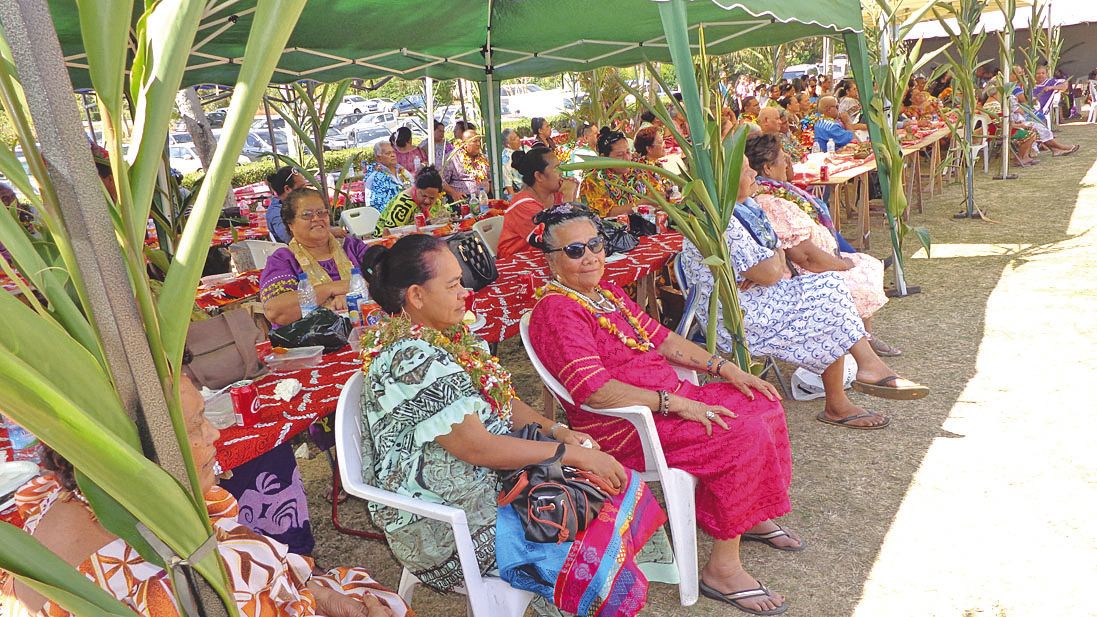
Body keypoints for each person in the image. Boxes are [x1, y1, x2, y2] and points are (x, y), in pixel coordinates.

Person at [357, 235, 668, 617]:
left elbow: (501, 399)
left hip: (495, 485)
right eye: (453, 285)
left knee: (615, 486)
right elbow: (478, 448)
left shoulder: (448, 337)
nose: (464, 294)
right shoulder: (411, 359)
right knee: (581, 531)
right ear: (417, 296)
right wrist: (570, 455)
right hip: (448, 523)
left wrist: (557, 432)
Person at [526, 203, 797, 615]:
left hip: (668, 403)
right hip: (627, 429)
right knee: (741, 432)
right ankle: (722, 570)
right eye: (575, 251)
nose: (591, 257)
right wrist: (675, 403)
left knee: (760, 400)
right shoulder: (558, 310)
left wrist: (725, 369)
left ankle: (748, 514)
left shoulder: (605, 293)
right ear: (551, 260)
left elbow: (664, 340)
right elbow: (595, 392)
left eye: (596, 244)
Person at [0, 376, 409, 617]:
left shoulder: (56, 499)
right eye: (195, 425)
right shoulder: (186, 570)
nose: (214, 435)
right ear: (136, 451)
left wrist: (319, 593)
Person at [681, 156, 930, 430]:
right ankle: (854, 382)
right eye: (744, 170)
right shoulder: (722, 221)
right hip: (736, 317)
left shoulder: (743, 210)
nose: (754, 173)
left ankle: (860, 375)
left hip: (754, 301)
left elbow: (771, 263)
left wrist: (769, 262)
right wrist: (771, 261)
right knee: (825, 295)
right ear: (723, 183)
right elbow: (771, 270)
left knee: (828, 287)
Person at [745, 133, 901, 356]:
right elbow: (805, 257)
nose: (788, 160)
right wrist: (842, 264)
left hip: (812, 265)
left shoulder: (776, 191)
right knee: (859, 270)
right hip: (804, 276)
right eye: (783, 159)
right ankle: (860, 344)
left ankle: (862, 337)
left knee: (865, 263)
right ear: (768, 169)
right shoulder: (770, 202)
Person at [260, 188, 370, 327]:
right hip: (313, 342)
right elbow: (275, 311)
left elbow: (388, 279)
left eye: (321, 212)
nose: (317, 219)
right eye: (307, 215)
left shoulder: (352, 247)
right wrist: (331, 288)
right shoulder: (284, 260)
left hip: (369, 331)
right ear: (291, 224)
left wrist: (351, 297)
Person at [497, 147, 579, 258]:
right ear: (539, 176)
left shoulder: (557, 195)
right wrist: (569, 197)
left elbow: (578, 229)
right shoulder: (523, 204)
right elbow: (558, 237)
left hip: (546, 258)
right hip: (517, 263)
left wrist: (571, 198)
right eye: (556, 169)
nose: (561, 173)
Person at [579, 127, 662, 218]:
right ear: (604, 158)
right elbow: (605, 213)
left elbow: (656, 192)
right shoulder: (594, 180)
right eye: (620, 155)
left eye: (628, 152)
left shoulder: (637, 171)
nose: (627, 158)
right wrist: (641, 203)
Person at [375, 166, 450, 235]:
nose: (427, 201)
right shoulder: (404, 203)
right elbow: (389, 232)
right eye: (424, 196)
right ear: (416, 189)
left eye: (432, 198)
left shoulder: (436, 202)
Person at [980, 88, 1039, 166]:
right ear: (995, 94)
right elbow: (1000, 124)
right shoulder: (993, 104)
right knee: (1030, 134)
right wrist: (1020, 125)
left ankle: (1024, 156)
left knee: (1031, 130)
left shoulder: (991, 102)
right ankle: (1020, 157)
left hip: (1000, 128)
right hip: (999, 130)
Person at [362, 141, 414, 213]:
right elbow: (376, 206)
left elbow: (414, 187)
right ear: (379, 158)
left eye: (393, 152)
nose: (393, 155)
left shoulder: (401, 170)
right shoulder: (375, 177)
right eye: (388, 153)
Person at [442, 129, 491, 200]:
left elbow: (491, 179)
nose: (478, 144)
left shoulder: (484, 158)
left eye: (478, 141)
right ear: (464, 144)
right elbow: (441, 181)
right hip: (462, 199)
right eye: (474, 141)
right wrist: (453, 193)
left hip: (484, 198)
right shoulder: (453, 158)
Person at [265, 165, 309, 243]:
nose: (306, 191)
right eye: (302, 187)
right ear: (287, 189)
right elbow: (290, 238)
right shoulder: (276, 213)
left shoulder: (297, 204)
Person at [757, 107, 801, 174]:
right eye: (777, 119)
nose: (780, 122)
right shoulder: (758, 140)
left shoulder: (777, 136)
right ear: (766, 121)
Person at [500, 128, 524, 197]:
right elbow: (507, 179)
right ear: (508, 144)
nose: (518, 139)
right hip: (516, 191)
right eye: (514, 139)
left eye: (517, 136)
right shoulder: (506, 157)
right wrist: (513, 198)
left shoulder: (522, 149)